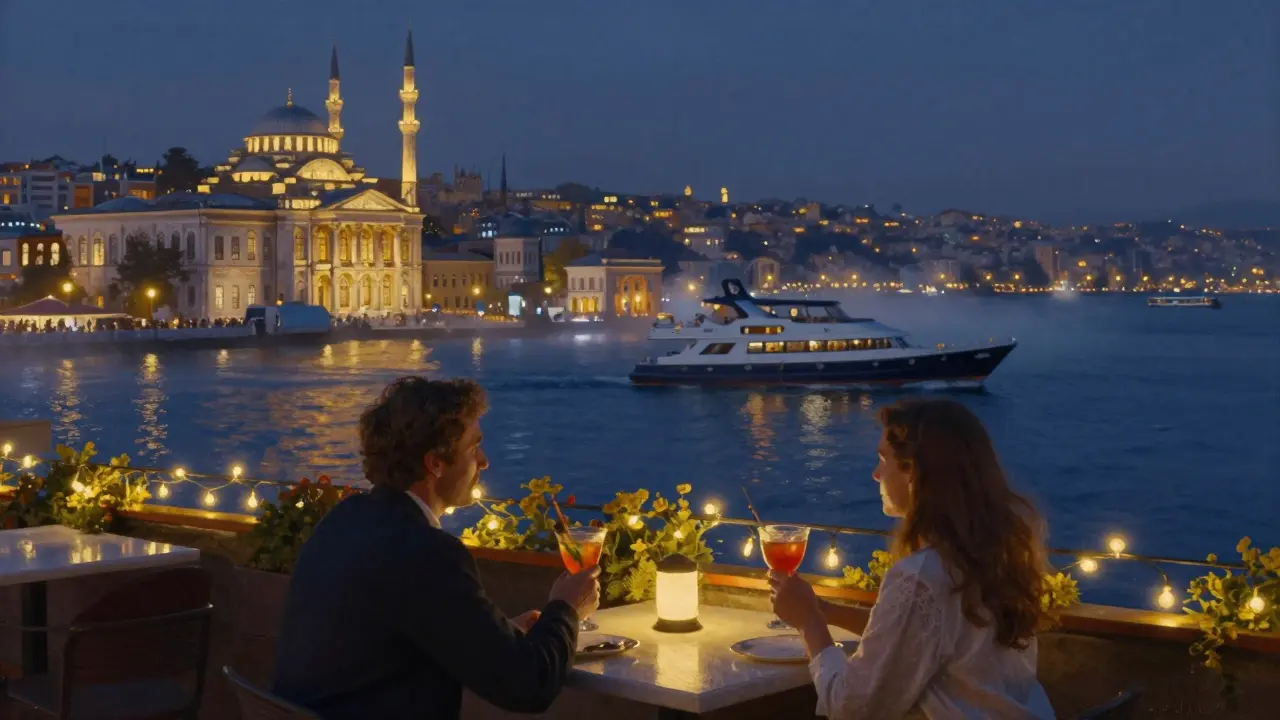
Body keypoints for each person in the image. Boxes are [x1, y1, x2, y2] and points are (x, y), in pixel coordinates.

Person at [272, 377, 600, 719]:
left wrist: (494, 634)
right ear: (436, 463)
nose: (484, 461)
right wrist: (567, 608)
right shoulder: (426, 552)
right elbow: (530, 684)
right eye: (473, 448)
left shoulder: (343, 521)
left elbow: (387, 643)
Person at [769, 399, 1056, 719]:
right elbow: (928, 639)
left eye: (883, 459)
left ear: (914, 472)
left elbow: (852, 708)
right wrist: (827, 611)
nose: (876, 474)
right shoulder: (994, 556)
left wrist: (810, 623)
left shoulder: (924, 574)